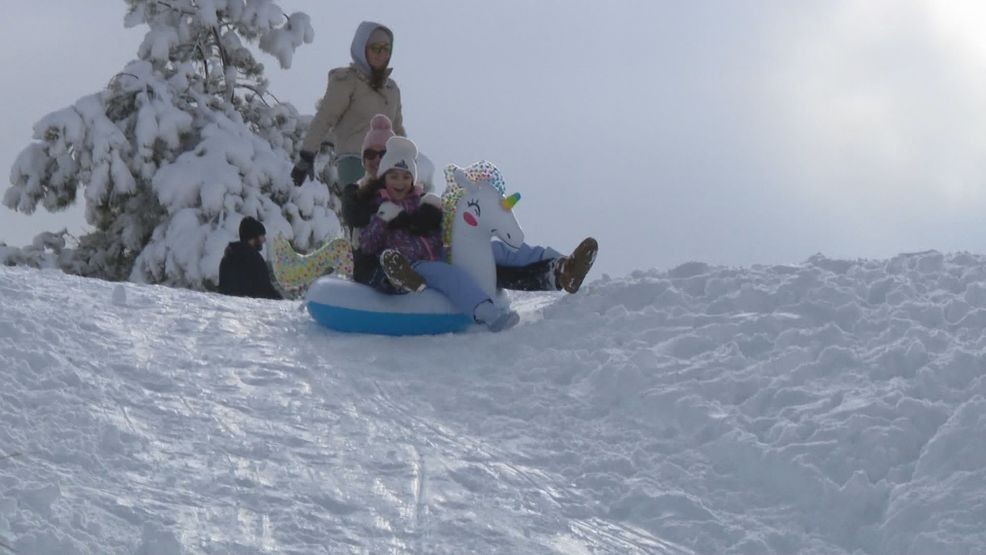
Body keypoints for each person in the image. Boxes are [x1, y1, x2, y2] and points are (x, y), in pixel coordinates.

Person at [359, 137, 520, 332]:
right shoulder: (376, 205)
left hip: (434, 256)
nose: (400, 182)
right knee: (449, 275)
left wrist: (434, 224)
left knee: (467, 260)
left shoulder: (421, 204)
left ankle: (516, 277)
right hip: (411, 262)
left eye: (406, 177)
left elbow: (435, 236)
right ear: (384, 177)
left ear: (412, 180)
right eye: (394, 176)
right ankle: (489, 315)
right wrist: (382, 219)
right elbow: (367, 244)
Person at [291, 21, 405, 190]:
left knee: (389, 215)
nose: (381, 54)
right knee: (362, 212)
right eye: (375, 47)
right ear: (362, 48)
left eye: (386, 48)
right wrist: (307, 154)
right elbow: (325, 117)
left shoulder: (391, 89)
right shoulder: (348, 80)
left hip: (387, 168)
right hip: (355, 162)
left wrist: (407, 163)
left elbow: (397, 130)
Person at [218, 217, 282, 300]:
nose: (264, 239)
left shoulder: (228, 256)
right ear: (254, 236)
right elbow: (265, 289)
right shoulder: (254, 259)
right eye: (262, 235)